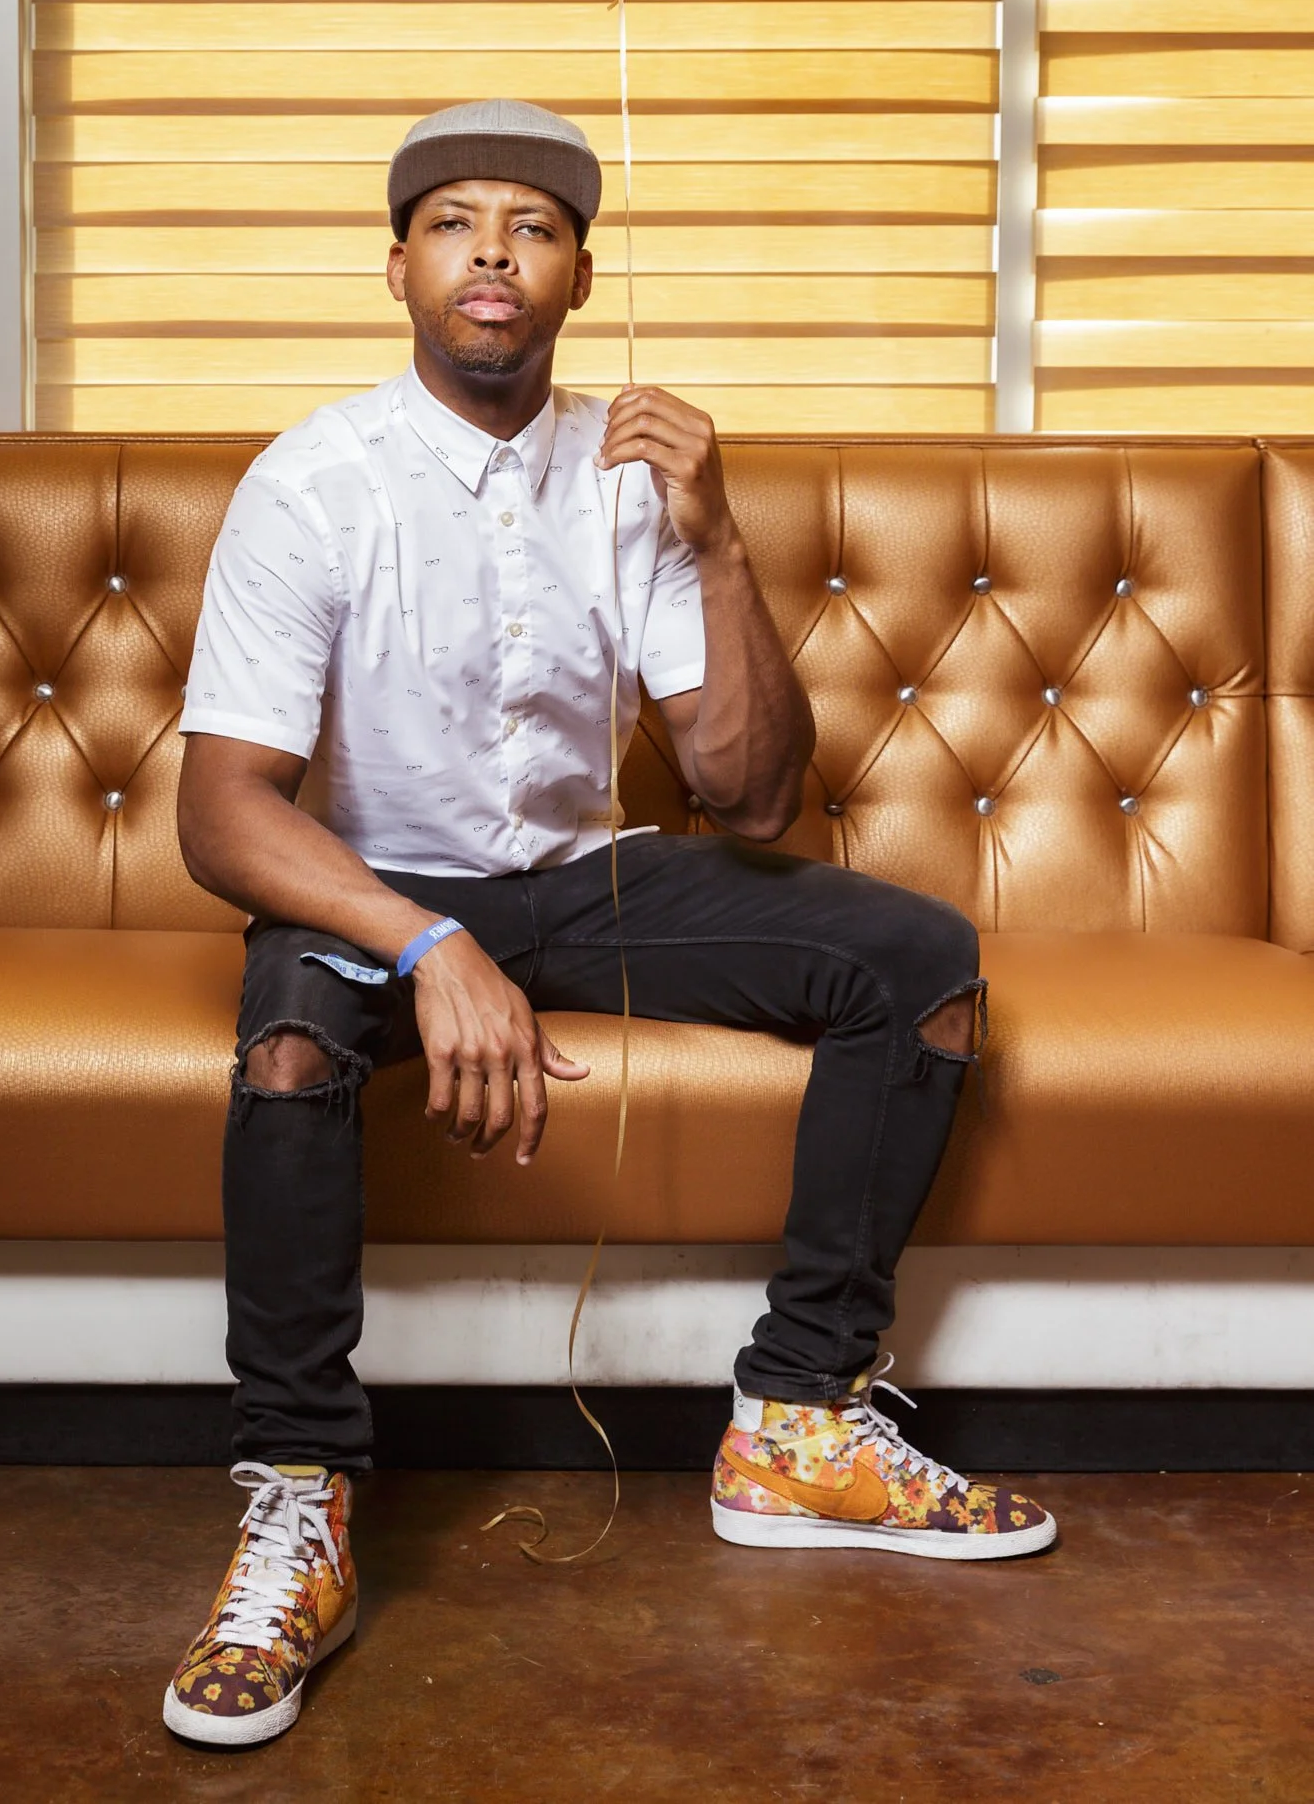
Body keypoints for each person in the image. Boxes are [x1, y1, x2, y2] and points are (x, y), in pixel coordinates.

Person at [164, 100, 1055, 1749]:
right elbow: (222, 815)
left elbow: (754, 800)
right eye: (453, 222)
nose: (492, 252)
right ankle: (298, 1494)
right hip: (377, 885)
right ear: (395, 268)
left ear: (578, 277)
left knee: (919, 966)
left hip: (583, 880)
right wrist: (428, 947)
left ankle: (796, 1421)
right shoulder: (313, 482)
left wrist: (715, 536)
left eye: (533, 226)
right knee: (290, 1038)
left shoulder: (635, 478)